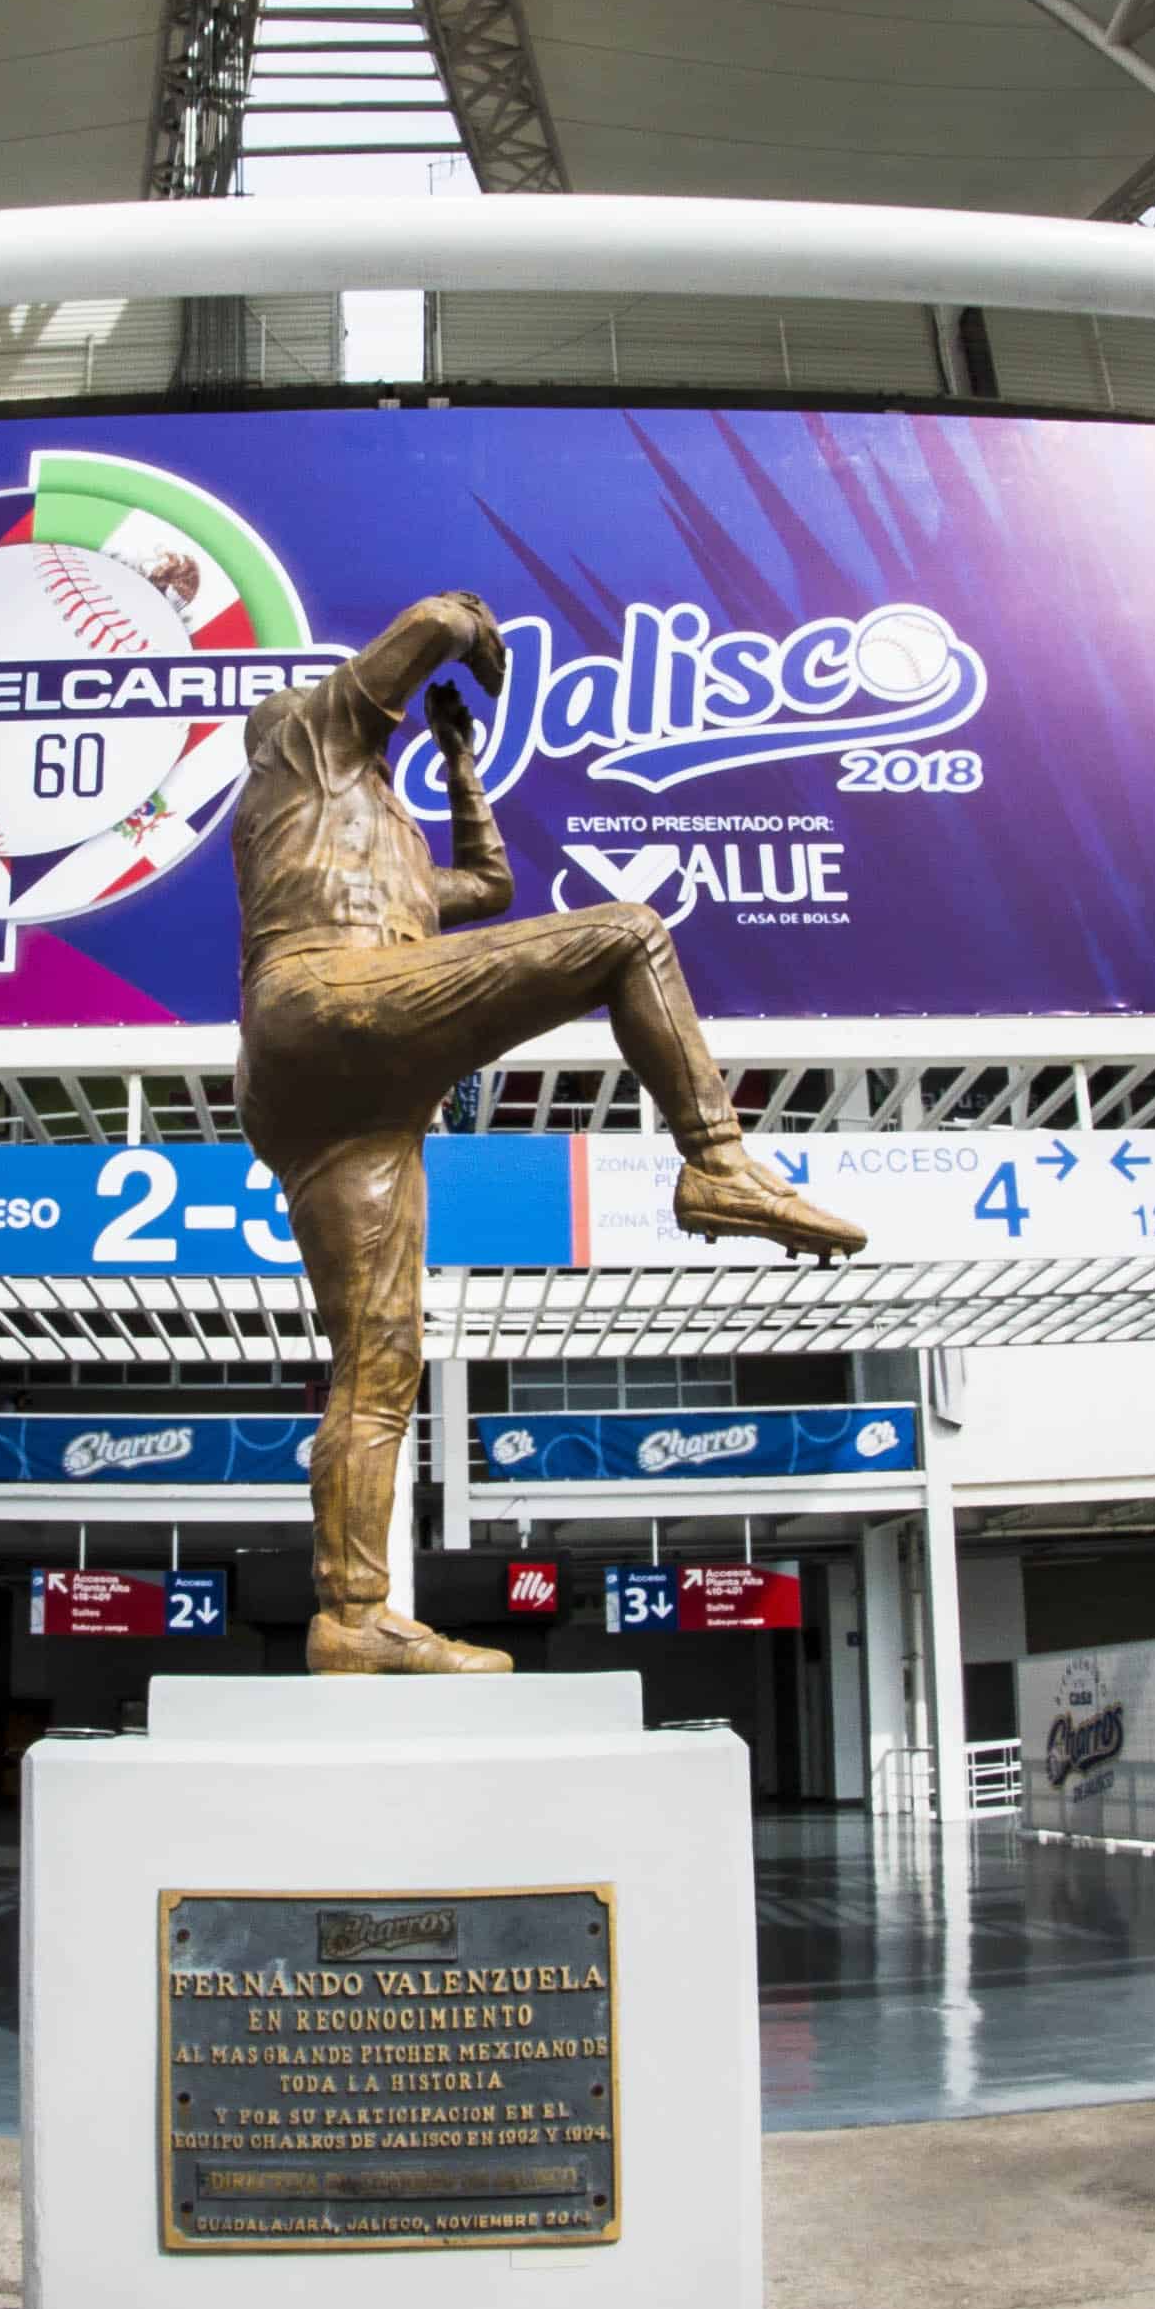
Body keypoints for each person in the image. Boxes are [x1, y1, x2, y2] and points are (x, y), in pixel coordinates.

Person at [233, 590, 865, 1675]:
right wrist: (476, 636)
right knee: (628, 935)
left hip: (341, 1106)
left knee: (378, 1363)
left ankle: (352, 1618)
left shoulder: (382, 834)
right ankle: (716, 1163)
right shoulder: (300, 752)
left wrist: (459, 761)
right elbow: (429, 620)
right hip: (327, 1003)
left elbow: (488, 884)